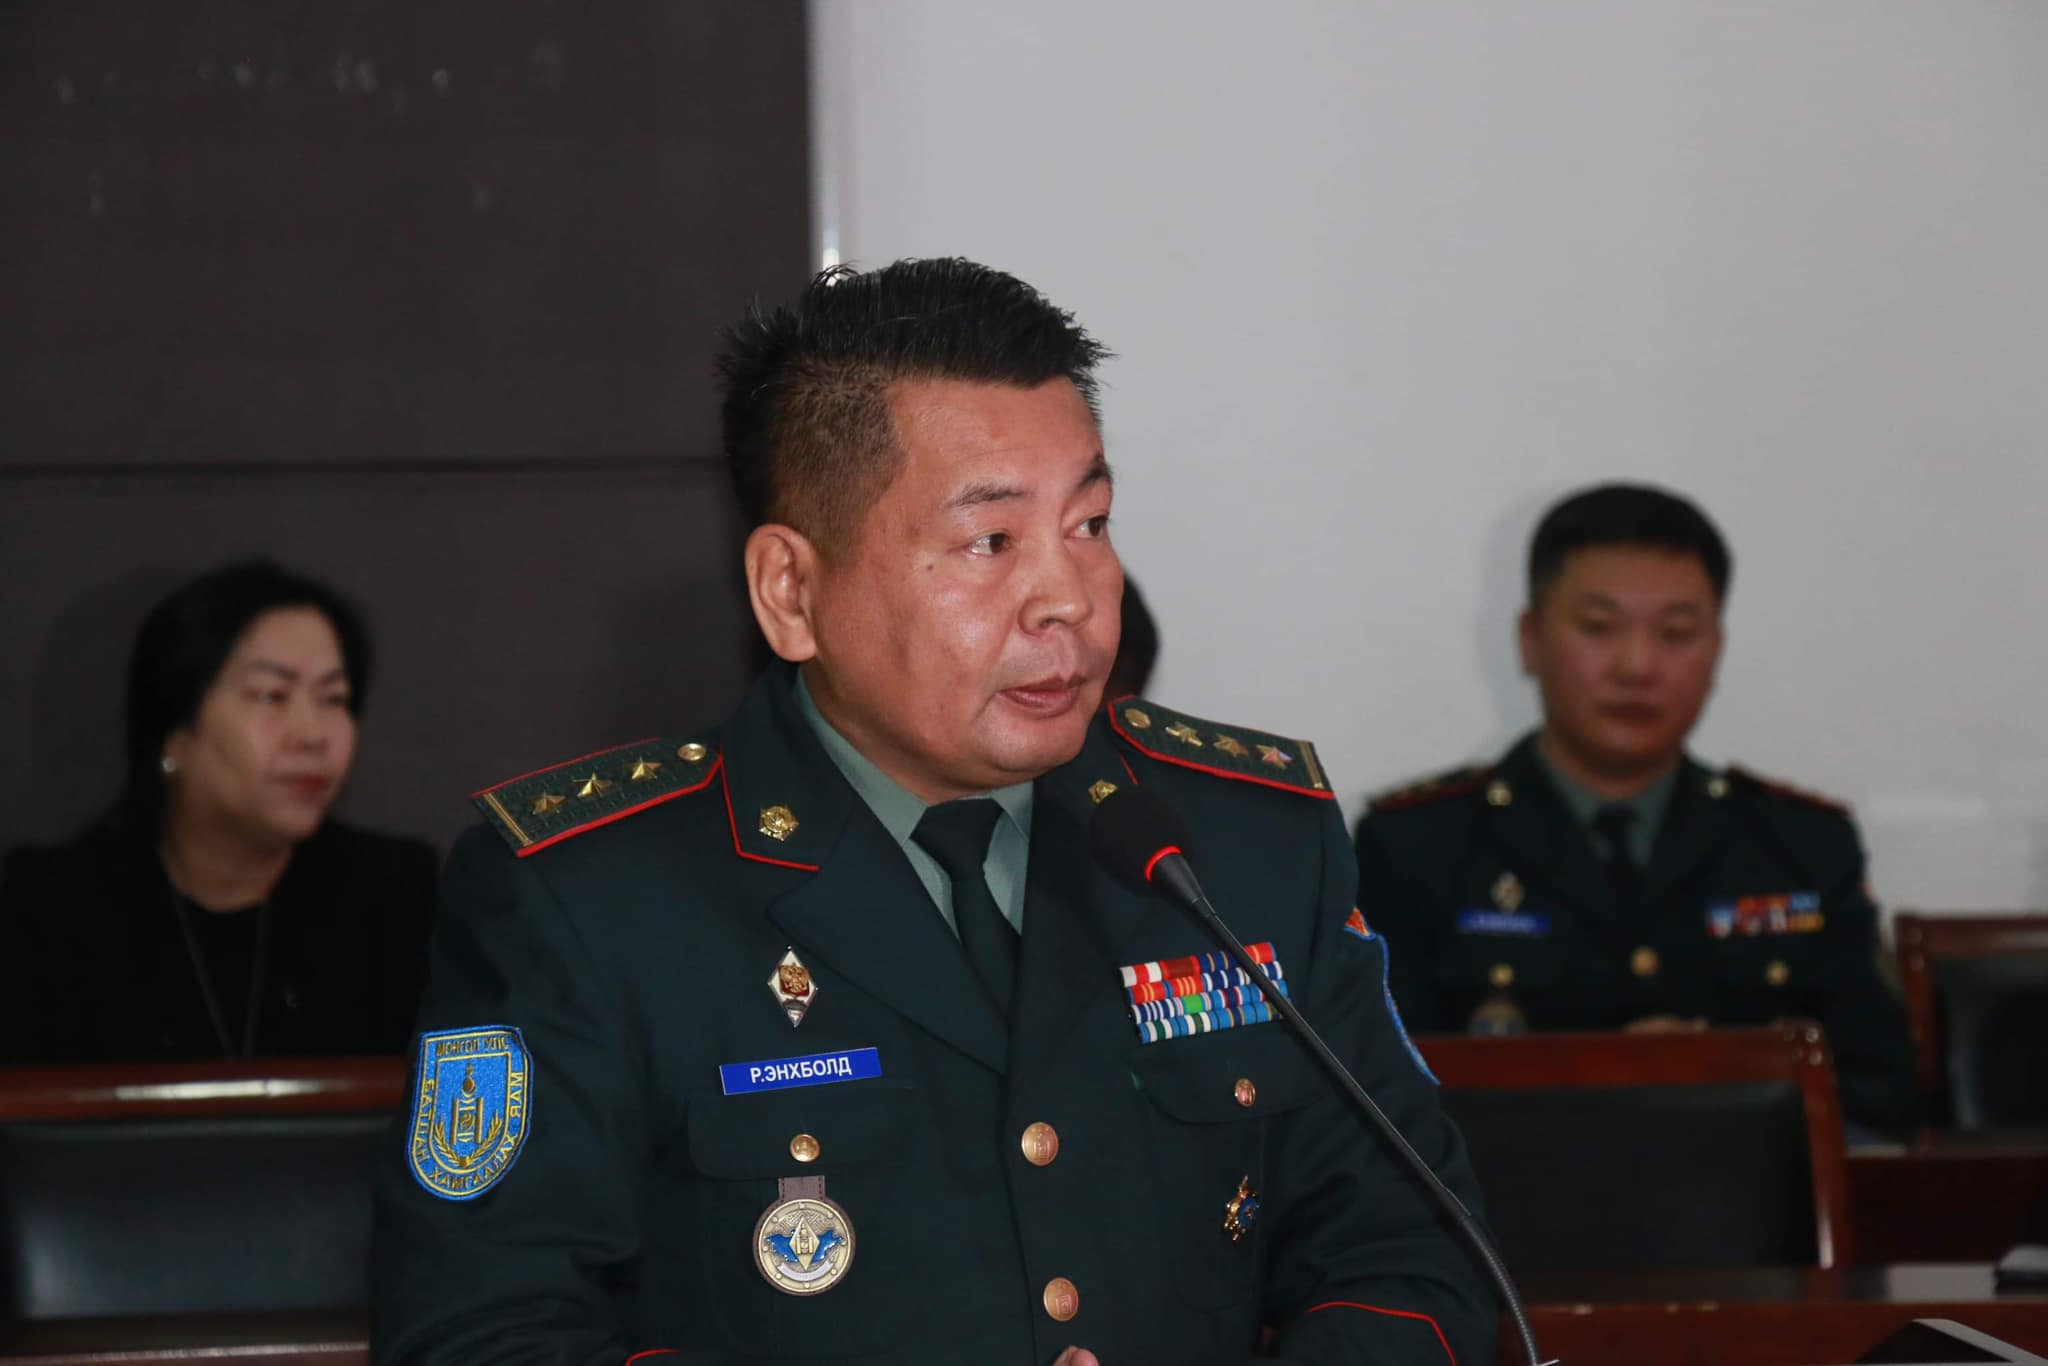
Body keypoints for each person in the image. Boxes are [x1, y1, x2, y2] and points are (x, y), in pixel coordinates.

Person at [372, 259, 1494, 1365]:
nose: (1068, 599)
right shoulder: (587, 896)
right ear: (791, 592)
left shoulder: (1248, 839)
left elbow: (1415, 1256)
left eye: (1090, 523)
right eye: (989, 542)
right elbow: (480, 1333)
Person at [1354, 483, 1917, 1134]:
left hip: (1745, 1197)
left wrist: (1726, 1081)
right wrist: (1614, 1088)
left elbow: (1887, 1097)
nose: (1638, 666)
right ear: (1530, 640)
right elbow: (1373, 1102)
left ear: (1716, 649)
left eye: (1676, 632)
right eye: (1599, 628)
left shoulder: (1803, 847)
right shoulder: (1416, 848)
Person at [0, 560, 437, 1063]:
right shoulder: (53, 910)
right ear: (173, 735)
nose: (314, 734)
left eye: (333, 698)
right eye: (272, 696)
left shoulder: (399, 899)